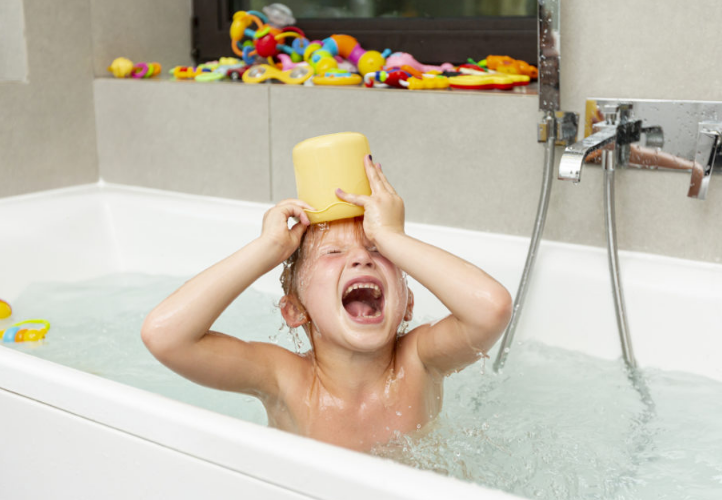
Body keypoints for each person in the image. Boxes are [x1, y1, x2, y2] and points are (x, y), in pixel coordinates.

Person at [141, 155, 512, 451]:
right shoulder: (285, 379)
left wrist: (392, 235)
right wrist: (268, 248)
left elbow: (491, 308)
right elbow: (164, 336)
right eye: (334, 252)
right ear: (295, 310)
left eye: (376, 250)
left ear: (408, 305)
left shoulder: (419, 361)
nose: (361, 259)